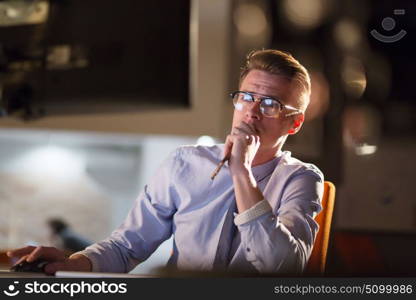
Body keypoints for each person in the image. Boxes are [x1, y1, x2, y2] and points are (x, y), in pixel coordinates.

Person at [8, 49, 324, 275]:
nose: (252, 112)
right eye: (246, 98)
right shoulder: (185, 163)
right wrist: (70, 263)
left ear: (294, 124)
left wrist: (241, 171)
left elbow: (283, 269)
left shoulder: (301, 179)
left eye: (270, 104)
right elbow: (126, 248)